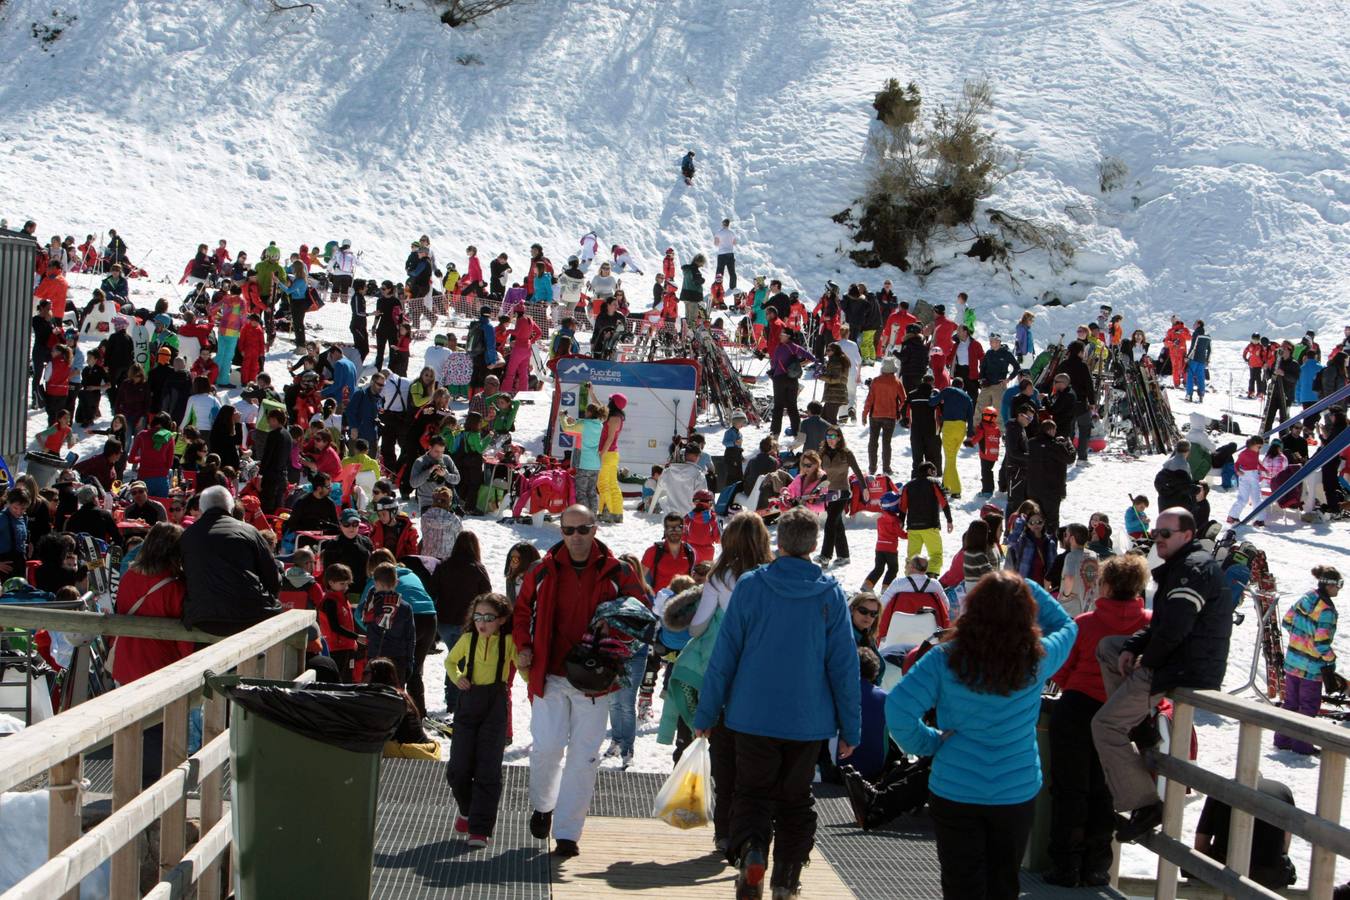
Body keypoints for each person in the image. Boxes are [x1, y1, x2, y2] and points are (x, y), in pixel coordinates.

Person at [693, 507, 861, 899]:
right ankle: (786, 876)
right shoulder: (830, 593)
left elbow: (725, 656)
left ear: (779, 542)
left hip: (751, 715)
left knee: (750, 793)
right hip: (807, 720)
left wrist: (706, 713)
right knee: (796, 798)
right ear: (815, 544)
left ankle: (752, 852)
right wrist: (850, 729)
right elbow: (844, 665)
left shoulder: (752, 586)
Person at [887, 571, 1076, 899]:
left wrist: (931, 743)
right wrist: (1026, 585)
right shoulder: (1037, 658)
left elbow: (898, 710)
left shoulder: (944, 658)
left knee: (961, 884)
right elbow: (1069, 628)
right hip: (1014, 790)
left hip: (955, 787)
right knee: (1003, 884)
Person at [513, 505, 646, 857]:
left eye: (583, 529)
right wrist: (523, 647)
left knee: (584, 757)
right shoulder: (541, 571)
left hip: (596, 676)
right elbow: (522, 609)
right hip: (550, 673)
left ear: (595, 528)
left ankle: (568, 832)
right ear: (560, 531)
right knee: (547, 748)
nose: (576, 537)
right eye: (569, 530)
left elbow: (640, 608)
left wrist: (614, 623)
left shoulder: (619, 571)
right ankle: (543, 805)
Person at [1092, 507, 1229, 842]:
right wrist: (1133, 645)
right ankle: (1140, 724)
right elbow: (1161, 625)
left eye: (1165, 534)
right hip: (1176, 659)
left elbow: (1174, 631)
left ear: (1187, 535)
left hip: (1185, 666)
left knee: (1105, 725)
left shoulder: (1192, 570)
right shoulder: (1182, 566)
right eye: (1155, 533)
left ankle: (1144, 803)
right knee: (1110, 647)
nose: (1158, 539)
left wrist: (1145, 663)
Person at [1045, 554, 1151, 887]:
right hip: (1123, 715)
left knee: (1069, 788)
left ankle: (1065, 865)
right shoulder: (1150, 624)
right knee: (1105, 788)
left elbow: (1061, 670)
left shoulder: (1085, 623)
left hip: (1078, 708)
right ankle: (1097, 865)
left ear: (1104, 585)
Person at [445, 591, 518, 848]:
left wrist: (529, 665)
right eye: (478, 616)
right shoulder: (468, 639)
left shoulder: (508, 641)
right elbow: (450, 662)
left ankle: (480, 828)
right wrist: (457, 678)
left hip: (495, 705)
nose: (482, 621)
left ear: (501, 619)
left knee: (488, 769)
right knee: (458, 769)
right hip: (468, 701)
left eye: (488, 616)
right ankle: (467, 810)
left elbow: (524, 666)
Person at [180, 486, 282, 636]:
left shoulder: (188, 535)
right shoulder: (249, 531)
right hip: (249, 615)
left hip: (203, 618)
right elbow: (272, 578)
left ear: (201, 508)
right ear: (231, 507)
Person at [1274, 565, 1343, 754]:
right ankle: (1302, 744)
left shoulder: (1307, 597)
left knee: (1290, 703)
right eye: (1339, 585)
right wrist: (1330, 661)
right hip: (1311, 669)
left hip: (1293, 661)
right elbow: (1321, 644)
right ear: (1329, 585)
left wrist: (1301, 638)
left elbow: (1287, 620)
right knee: (1308, 705)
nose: (1339, 589)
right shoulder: (1326, 610)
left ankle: (1282, 738)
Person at [1193, 778, 1298, 891]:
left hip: (1224, 870)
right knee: (1287, 869)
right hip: (1269, 875)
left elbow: (1200, 845)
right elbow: (1285, 845)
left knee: (1190, 860)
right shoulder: (1283, 791)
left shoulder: (1220, 788)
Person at [430, 531, 493, 715]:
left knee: (454, 658)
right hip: (466, 624)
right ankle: (456, 700)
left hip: (445, 622)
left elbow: (433, 591)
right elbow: (487, 595)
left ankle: (452, 698)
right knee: (462, 661)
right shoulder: (477, 568)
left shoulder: (443, 565)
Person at [817, 426, 866, 567]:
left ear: (839, 437)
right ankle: (844, 556)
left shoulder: (846, 453)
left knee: (831, 522)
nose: (830, 439)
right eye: (828, 436)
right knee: (837, 523)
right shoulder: (822, 453)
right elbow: (817, 473)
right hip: (828, 493)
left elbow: (857, 472)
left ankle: (825, 555)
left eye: (833, 436)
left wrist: (864, 489)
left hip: (843, 492)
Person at [896, 461, 954, 573]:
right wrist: (949, 520)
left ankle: (909, 580)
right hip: (930, 526)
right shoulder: (934, 482)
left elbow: (903, 507)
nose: (935, 474)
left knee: (911, 557)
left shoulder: (908, 486)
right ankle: (930, 577)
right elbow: (943, 502)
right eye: (934, 471)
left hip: (912, 528)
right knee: (936, 555)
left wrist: (901, 522)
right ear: (929, 471)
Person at [1027, 419, 1077, 533]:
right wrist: (1068, 444)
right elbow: (1070, 458)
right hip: (1052, 490)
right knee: (1051, 520)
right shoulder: (1055, 445)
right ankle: (1050, 545)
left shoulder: (1031, 443)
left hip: (1033, 488)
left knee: (1035, 518)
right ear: (1051, 430)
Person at [769, 329, 814, 438]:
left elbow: (774, 365)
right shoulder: (794, 347)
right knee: (792, 406)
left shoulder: (779, 347)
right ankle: (797, 432)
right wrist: (798, 365)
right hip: (792, 379)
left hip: (779, 379)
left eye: (782, 334)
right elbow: (811, 358)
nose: (780, 336)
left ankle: (775, 434)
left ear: (788, 336)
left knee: (778, 406)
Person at [862, 358, 904, 475]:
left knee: (873, 442)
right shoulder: (897, 382)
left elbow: (869, 400)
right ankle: (886, 468)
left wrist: (864, 414)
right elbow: (903, 400)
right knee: (887, 443)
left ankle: (872, 468)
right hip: (890, 416)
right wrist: (898, 410)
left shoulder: (875, 381)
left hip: (875, 415)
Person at [641, 514, 696, 593]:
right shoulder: (653, 551)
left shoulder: (689, 552)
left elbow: (691, 579)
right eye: (670, 528)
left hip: (681, 601)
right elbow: (639, 579)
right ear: (665, 530)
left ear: (683, 529)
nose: (674, 531)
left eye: (677, 528)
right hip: (659, 602)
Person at [596, 393, 627, 524]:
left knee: (603, 484)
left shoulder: (614, 418)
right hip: (612, 454)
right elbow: (600, 407)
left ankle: (606, 512)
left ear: (613, 402)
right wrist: (592, 393)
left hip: (607, 454)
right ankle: (617, 513)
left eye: (610, 399)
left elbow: (609, 439)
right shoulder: (616, 416)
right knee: (612, 484)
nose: (608, 401)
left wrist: (601, 453)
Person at [713, 218, 737, 290]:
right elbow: (734, 243)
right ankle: (732, 287)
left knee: (720, 271)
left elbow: (716, 244)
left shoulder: (719, 233)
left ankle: (718, 286)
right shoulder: (732, 233)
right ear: (728, 224)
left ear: (723, 224)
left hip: (722, 254)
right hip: (730, 253)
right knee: (732, 271)